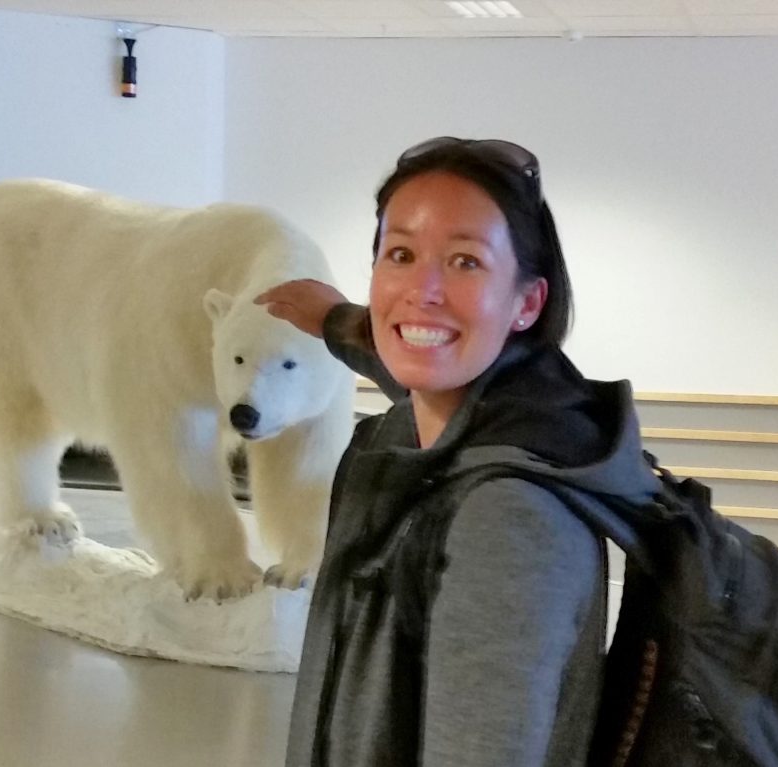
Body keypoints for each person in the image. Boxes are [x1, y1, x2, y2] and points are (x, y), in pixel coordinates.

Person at [255, 137, 661, 767]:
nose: (423, 289)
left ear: (527, 303)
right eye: (401, 254)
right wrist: (334, 319)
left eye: (466, 262)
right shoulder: (503, 417)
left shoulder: (508, 519)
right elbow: (416, 362)